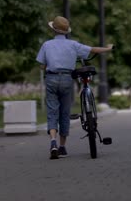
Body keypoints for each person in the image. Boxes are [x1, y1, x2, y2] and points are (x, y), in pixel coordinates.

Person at [36, 16, 114, 159]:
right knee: (64, 113)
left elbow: (41, 65)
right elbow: (92, 50)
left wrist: (49, 65)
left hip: (51, 79)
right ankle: (63, 147)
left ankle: (53, 143)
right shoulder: (73, 44)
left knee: (52, 112)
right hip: (66, 79)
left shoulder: (46, 45)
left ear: (53, 30)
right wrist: (108, 48)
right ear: (66, 31)